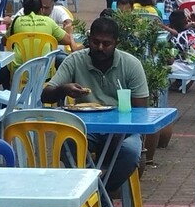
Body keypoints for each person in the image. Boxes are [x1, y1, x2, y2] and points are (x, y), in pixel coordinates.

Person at [41, 17, 149, 194]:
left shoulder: (131, 65)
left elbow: (140, 111)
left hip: (122, 130)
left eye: (106, 44)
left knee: (130, 153)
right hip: (86, 128)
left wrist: (122, 130)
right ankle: (98, 199)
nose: (100, 48)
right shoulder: (75, 60)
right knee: (67, 145)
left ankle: (95, 196)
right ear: (89, 39)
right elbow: (46, 95)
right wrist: (63, 89)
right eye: (95, 42)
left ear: (116, 43)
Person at [7, 0, 81, 76]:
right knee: (63, 58)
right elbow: (68, 40)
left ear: (24, 10)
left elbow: (5, 41)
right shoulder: (49, 21)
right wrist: (69, 32)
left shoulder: (16, 21)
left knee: (2, 69)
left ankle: (8, 84)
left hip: (18, 73)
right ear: (41, 10)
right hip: (45, 73)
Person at [165, 10, 195, 81]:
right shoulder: (193, 31)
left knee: (161, 67)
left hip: (187, 68)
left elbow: (170, 61)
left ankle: (168, 86)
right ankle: (180, 83)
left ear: (172, 25)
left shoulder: (175, 40)